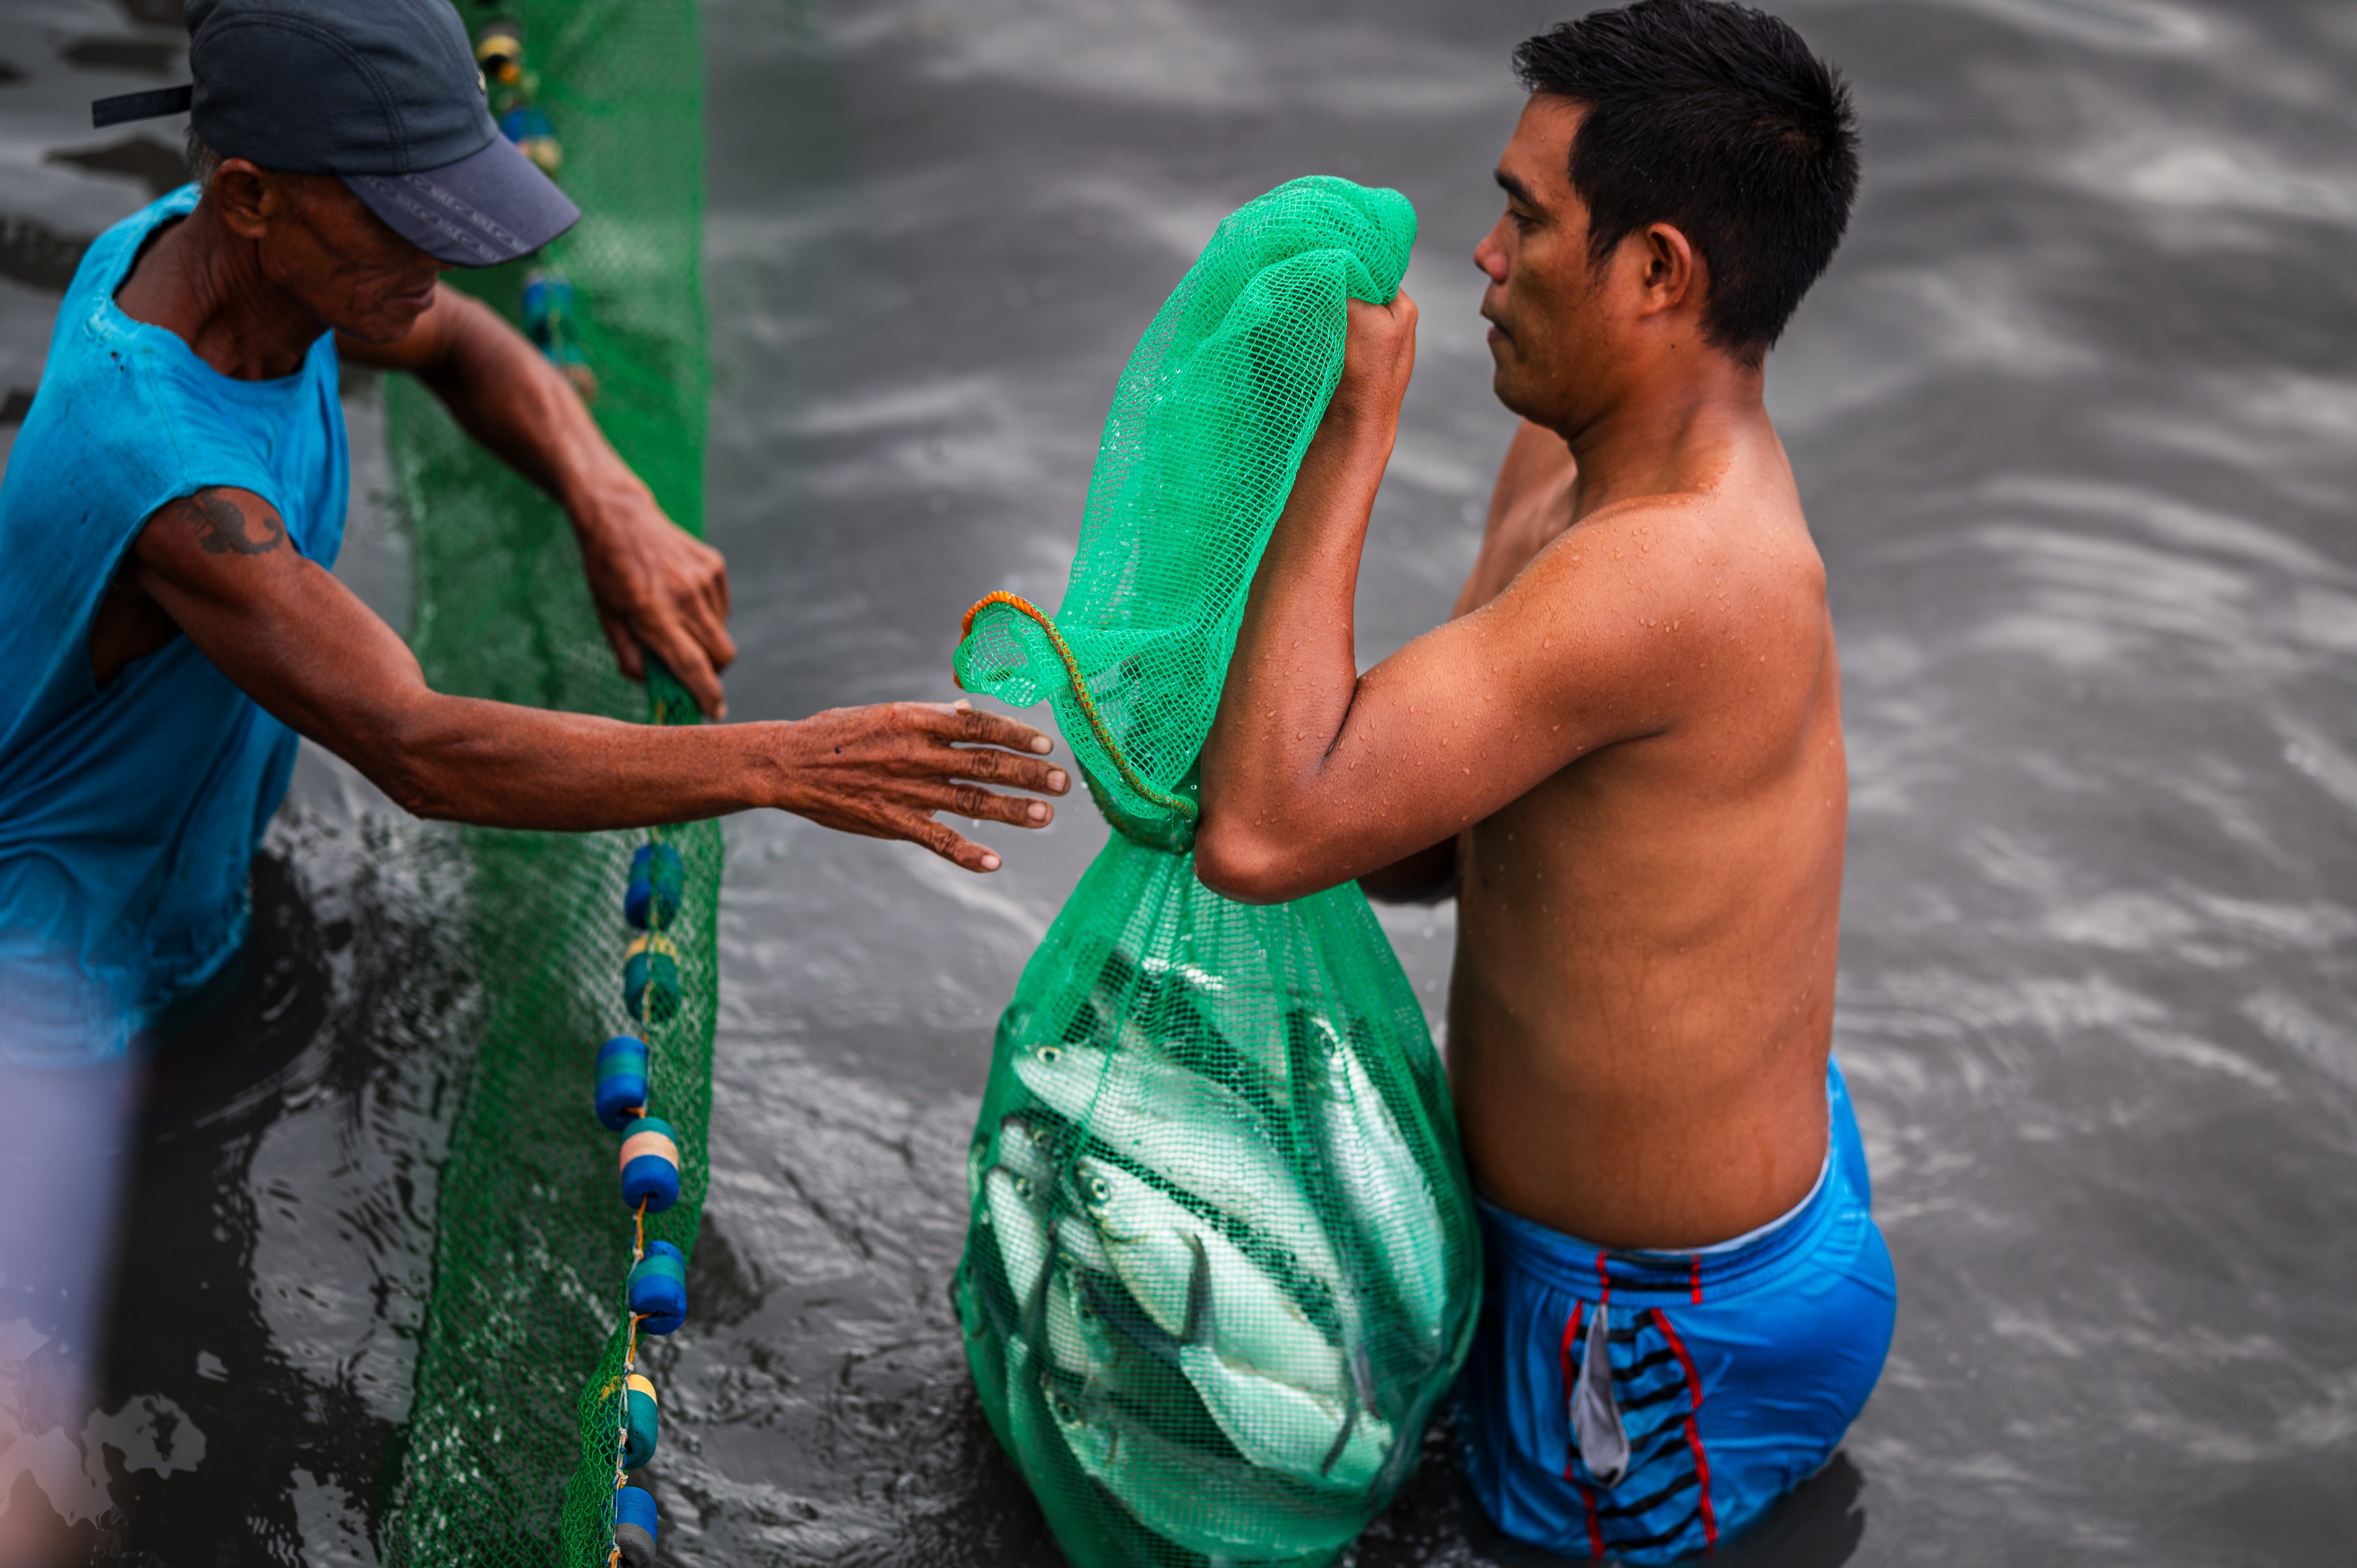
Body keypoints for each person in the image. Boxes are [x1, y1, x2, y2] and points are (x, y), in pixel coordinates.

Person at [0, 0, 1063, 1552]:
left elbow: (460, 339)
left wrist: (607, 493)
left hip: (191, 909)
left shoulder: (240, 265)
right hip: (48, 999)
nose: (439, 267)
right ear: (251, 195)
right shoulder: (158, 464)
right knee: (63, 1473)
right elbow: (419, 745)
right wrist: (786, 761)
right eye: (407, 225)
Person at [1194, 2, 1892, 1559]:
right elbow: (1410, 840)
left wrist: (1350, 435)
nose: (1486, 259)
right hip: (1633, 1236)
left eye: (1526, 218)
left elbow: (1261, 832)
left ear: (1658, 274)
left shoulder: (1684, 572)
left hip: (1658, 1323)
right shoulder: (1572, 469)